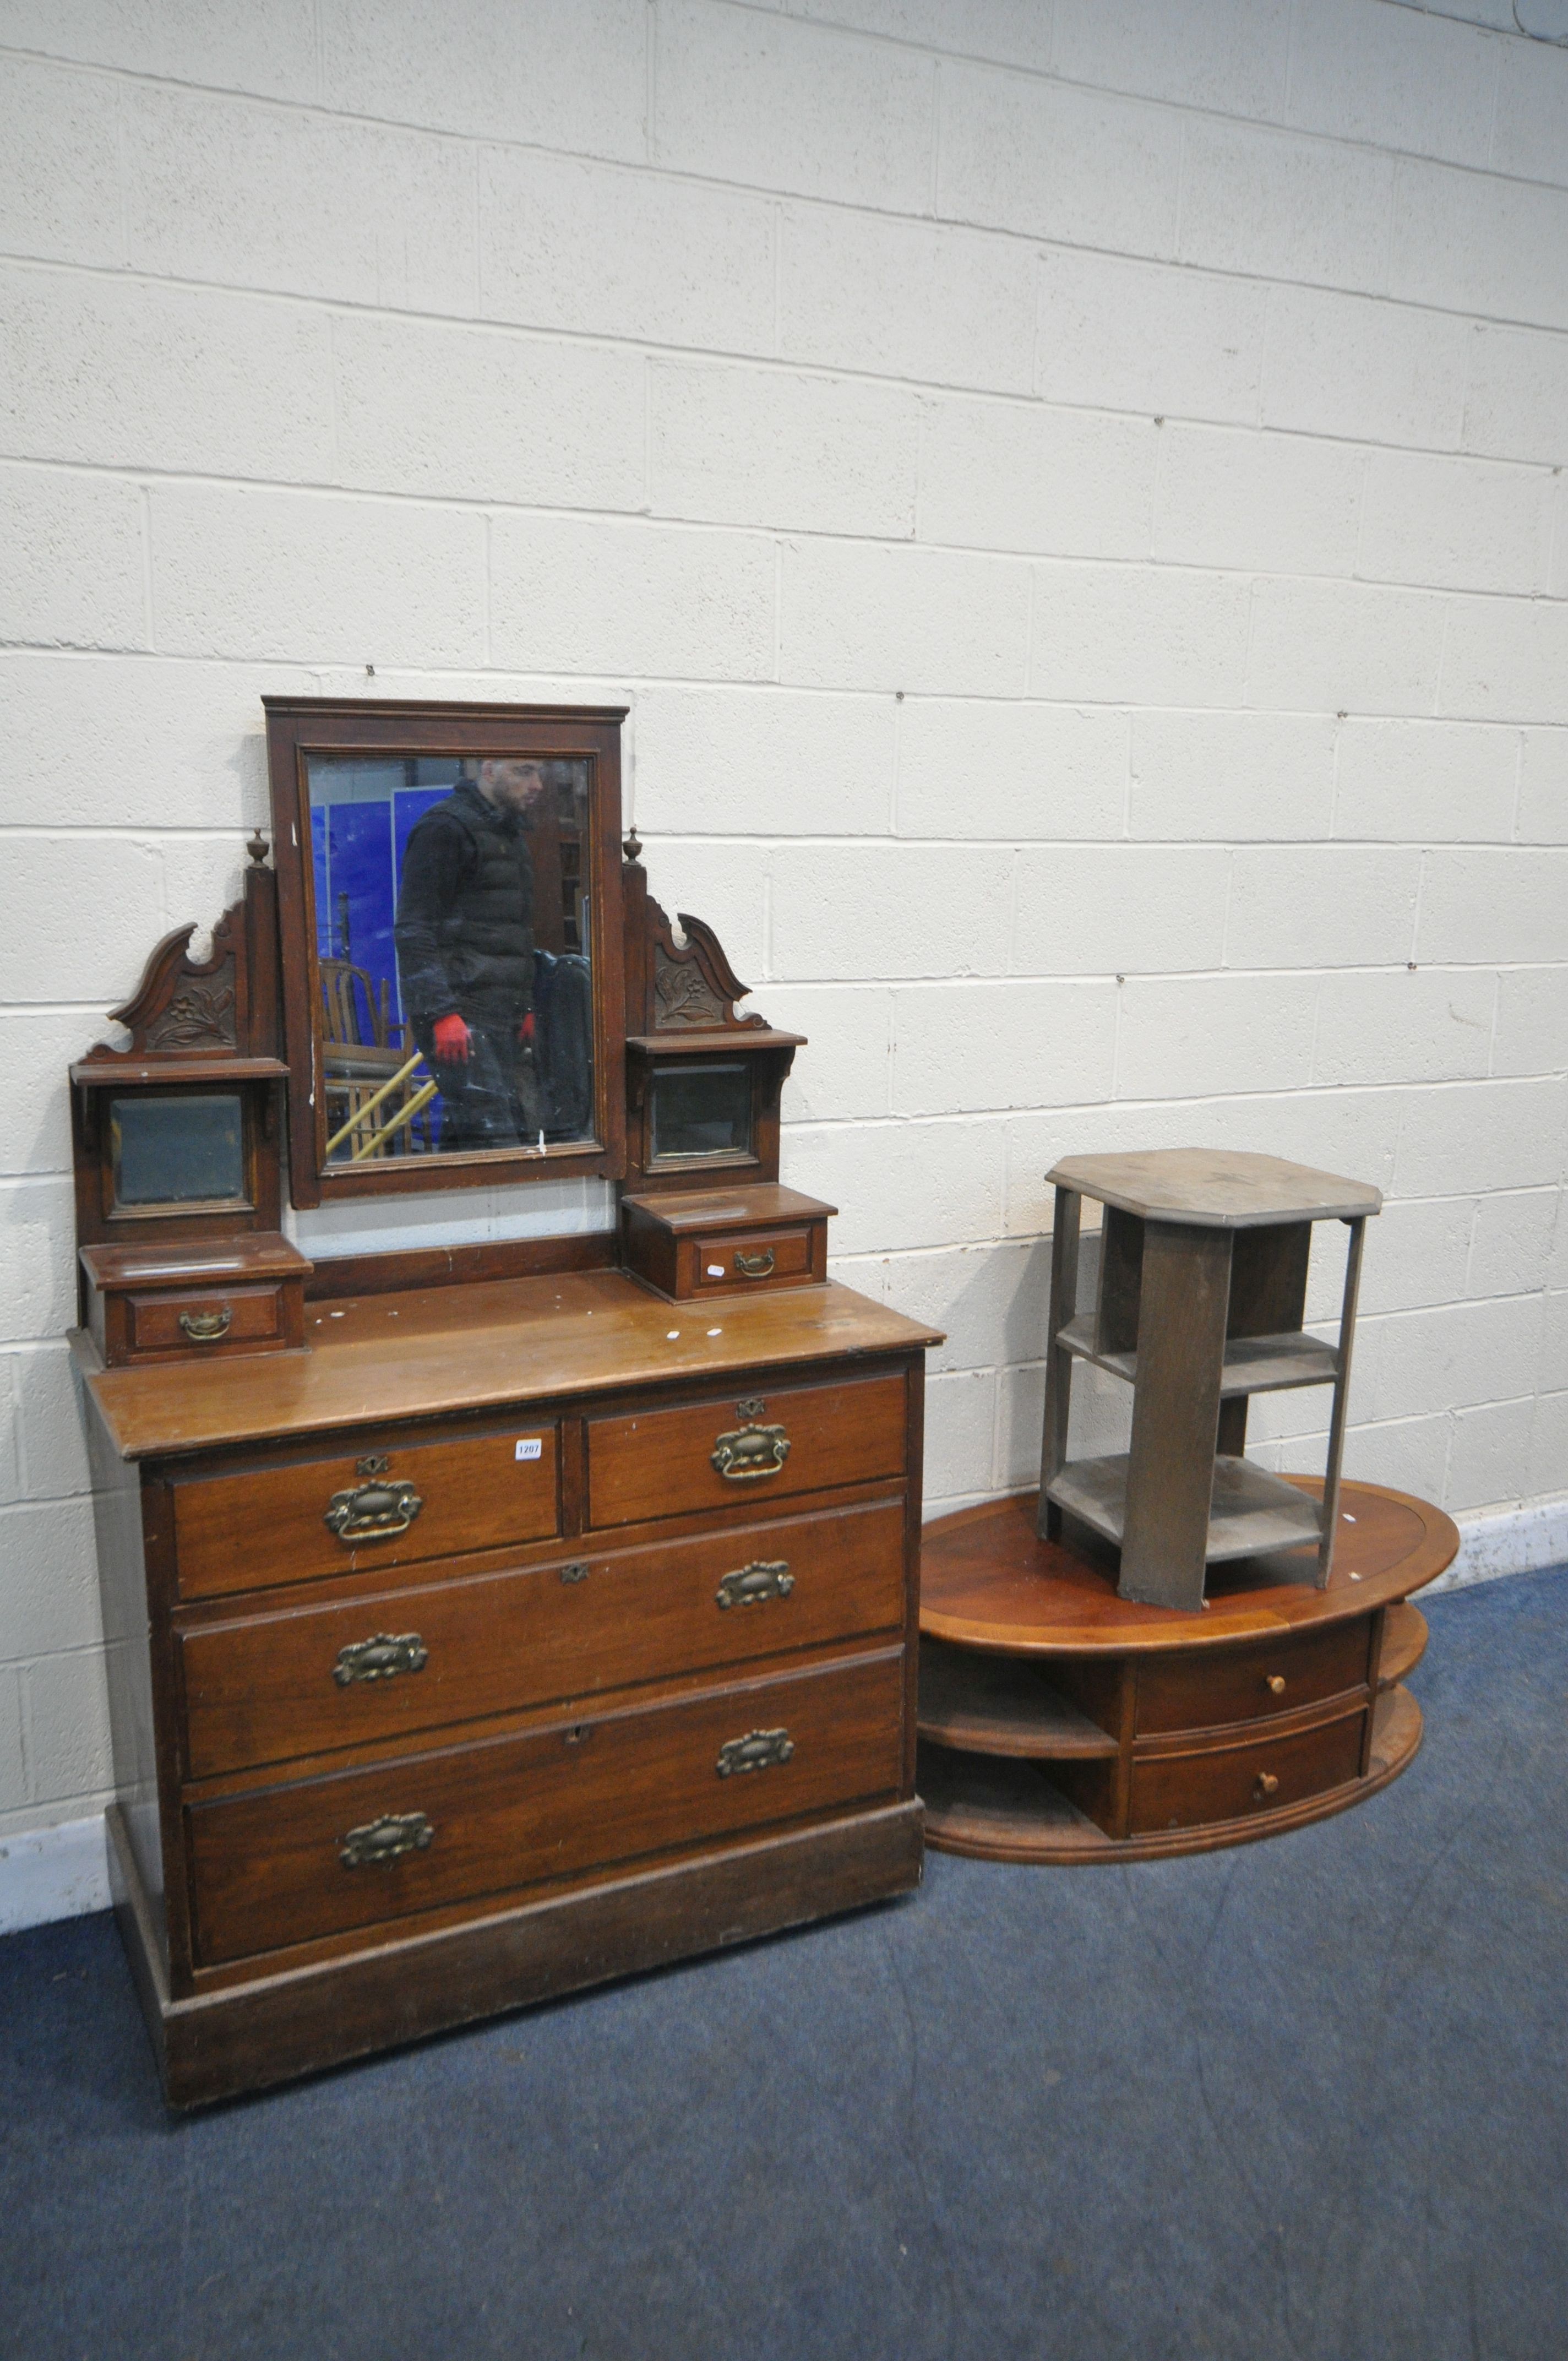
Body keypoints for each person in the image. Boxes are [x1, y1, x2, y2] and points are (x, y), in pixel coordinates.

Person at [393, 758, 548, 1151]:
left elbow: (512, 932)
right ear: (489, 769)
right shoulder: (446, 828)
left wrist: (523, 1005)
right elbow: (414, 930)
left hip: (495, 1011)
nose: (537, 784)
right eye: (524, 771)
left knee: (479, 1137)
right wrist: (441, 1014)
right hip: (461, 1012)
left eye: (538, 772)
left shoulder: (508, 833)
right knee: (498, 1141)